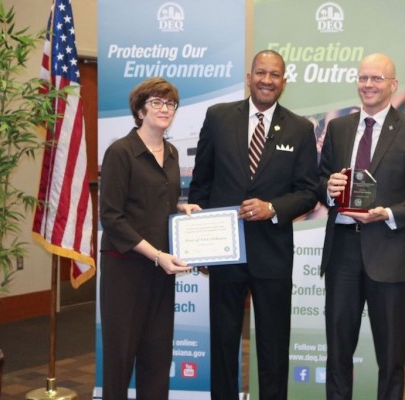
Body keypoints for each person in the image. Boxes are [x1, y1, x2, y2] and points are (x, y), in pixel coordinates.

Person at [188, 49, 319, 400]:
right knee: (223, 340)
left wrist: (272, 207)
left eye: (274, 75)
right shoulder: (217, 118)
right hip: (224, 252)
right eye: (261, 72)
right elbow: (201, 183)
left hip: (272, 253)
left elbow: (309, 192)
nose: (266, 80)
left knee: (274, 345)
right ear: (249, 77)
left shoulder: (301, 128)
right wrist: (200, 244)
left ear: (284, 82)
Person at [318, 53, 405, 400]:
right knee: (337, 351)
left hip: (389, 256)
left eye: (376, 79)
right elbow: (320, 180)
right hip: (342, 252)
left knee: (389, 357)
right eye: (363, 78)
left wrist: (387, 213)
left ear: (393, 85)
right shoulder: (339, 128)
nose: (368, 85)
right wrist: (327, 190)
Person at [99, 77, 201, 399]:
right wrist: (156, 254)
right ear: (140, 109)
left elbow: (158, 204)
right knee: (120, 360)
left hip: (161, 271)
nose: (164, 109)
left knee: (157, 359)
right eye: (156, 102)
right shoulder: (120, 152)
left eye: (169, 103)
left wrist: (181, 210)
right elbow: (111, 217)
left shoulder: (170, 152)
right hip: (125, 272)